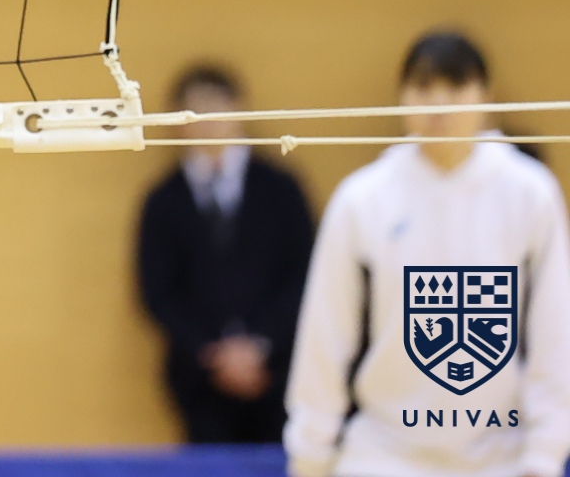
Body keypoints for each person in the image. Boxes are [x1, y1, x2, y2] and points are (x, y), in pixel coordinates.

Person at [286, 31, 570, 477]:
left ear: (486, 95)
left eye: (455, 87)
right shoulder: (362, 198)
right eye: (423, 87)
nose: (439, 104)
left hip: (501, 458)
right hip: (383, 457)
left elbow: (555, 330)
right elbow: (325, 332)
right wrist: (310, 455)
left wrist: (544, 455)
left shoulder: (530, 193)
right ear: (402, 98)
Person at [136, 65, 316, 444]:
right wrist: (213, 353)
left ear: (240, 109)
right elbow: (157, 292)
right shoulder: (163, 201)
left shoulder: (281, 189)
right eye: (193, 109)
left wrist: (260, 346)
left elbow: (305, 274)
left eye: (216, 105)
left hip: (280, 370)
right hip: (199, 380)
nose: (207, 119)